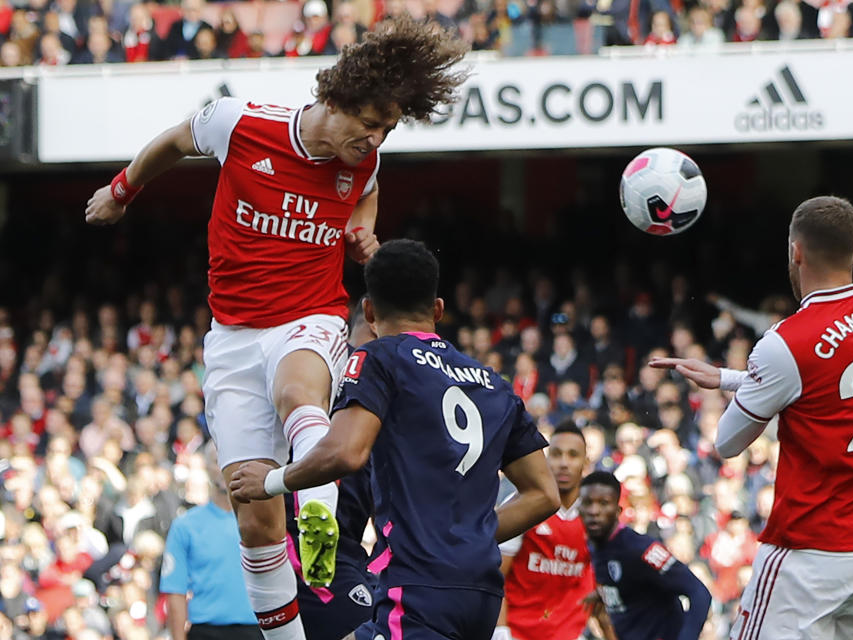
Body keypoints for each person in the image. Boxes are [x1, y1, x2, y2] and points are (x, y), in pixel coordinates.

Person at [85, 19, 468, 640]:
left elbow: (366, 191)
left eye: (387, 129)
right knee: (257, 523)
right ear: (337, 98)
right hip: (232, 334)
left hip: (311, 316)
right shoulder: (241, 122)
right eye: (370, 121)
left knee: (299, 391)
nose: (374, 137)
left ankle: (317, 508)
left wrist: (362, 229)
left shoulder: (362, 157)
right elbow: (174, 142)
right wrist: (121, 191)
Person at [229, 239, 561, 640]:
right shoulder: (494, 383)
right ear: (438, 309)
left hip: (418, 587)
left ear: (369, 312)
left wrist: (269, 483)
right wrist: (467, 539)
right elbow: (544, 494)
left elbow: (347, 453)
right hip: (481, 591)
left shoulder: (380, 358)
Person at [651, 196, 853, 639]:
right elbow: (828, 384)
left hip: (814, 557)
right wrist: (730, 378)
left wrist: (744, 383)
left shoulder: (785, 342)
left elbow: (727, 442)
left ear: (795, 251)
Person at [287, 306, 378, 640]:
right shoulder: (360, 372)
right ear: (374, 322)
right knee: (374, 625)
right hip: (308, 544)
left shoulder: (313, 368)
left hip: (348, 546)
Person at [580, 471, 710, 640]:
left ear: (618, 510)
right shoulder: (589, 550)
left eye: (603, 503)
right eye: (588, 503)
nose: (594, 511)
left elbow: (699, 592)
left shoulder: (641, 549)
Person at [496, 422, 596, 640]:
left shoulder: (595, 516)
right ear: (546, 460)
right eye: (556, 454)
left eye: (573, 455)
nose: (564, 463)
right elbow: (495, 575)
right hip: (518, 633)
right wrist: (500, 631)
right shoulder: (523, 505)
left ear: (585, 463)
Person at [160, 442, 262, 640]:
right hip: (205, 631)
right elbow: (175, 593)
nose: (224, 467)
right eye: (217, 461)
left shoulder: (263, 522)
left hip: (257, 630)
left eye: (231, 459)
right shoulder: (185, 526)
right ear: (206, 466)